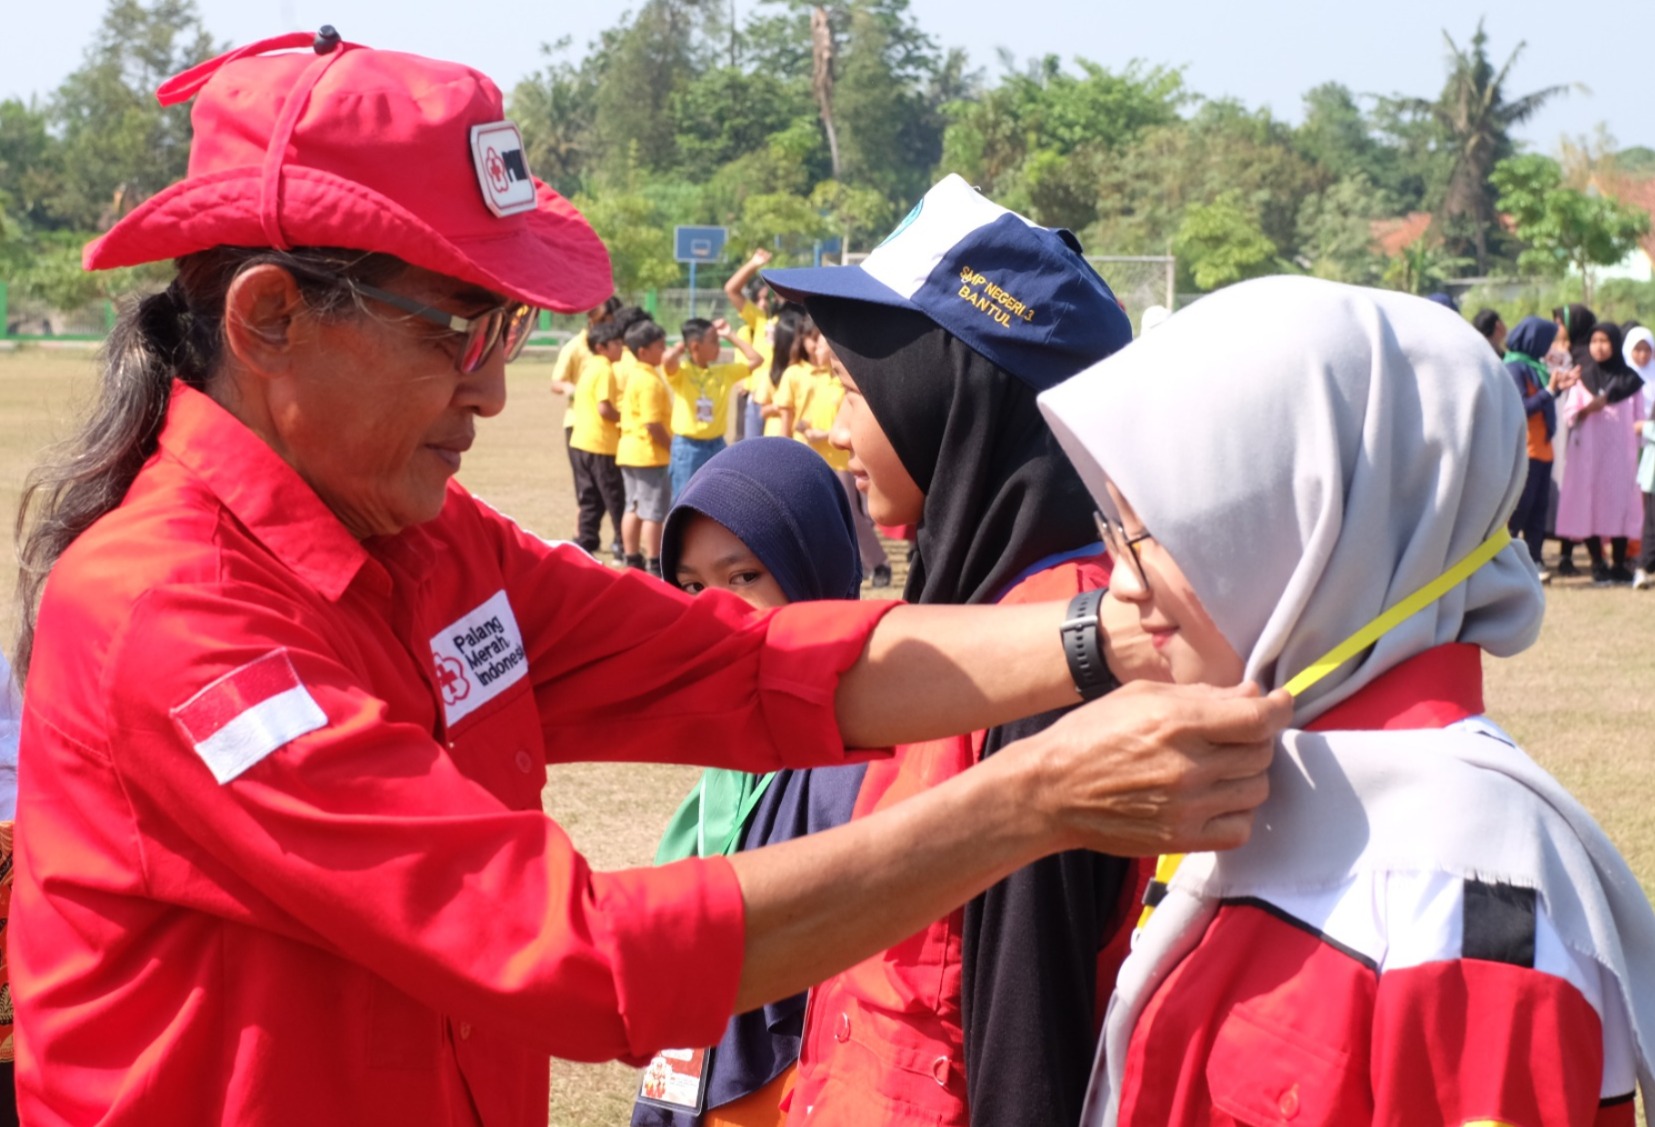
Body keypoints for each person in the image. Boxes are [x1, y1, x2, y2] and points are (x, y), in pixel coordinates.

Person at [7, 33, 1290, 1125]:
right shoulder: (170, 620)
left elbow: (739, 664)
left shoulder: (434, 545)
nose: (495, 387)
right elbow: (572, 953)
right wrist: (1031, 798)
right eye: (459, 328)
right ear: (269, 317)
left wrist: (1097, 639)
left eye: (507, 329)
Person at [1037, 275, 1655, 1127]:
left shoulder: (1465, 893)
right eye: (1117, 529)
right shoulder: (1263, 774)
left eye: (1152, 535)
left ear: (1317, 533)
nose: (1121, 584)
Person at [762, 174, 1153, 1127]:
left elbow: (1030, 1032)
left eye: (855, 392)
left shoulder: (1057, 657)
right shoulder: (980, 607)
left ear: (954, 401)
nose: (833, 426)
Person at [635, 437, 871, 1127]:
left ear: (813, 569)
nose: (712, 613)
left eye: (742, 578)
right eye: (689, 585)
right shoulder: (726, 758)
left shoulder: (862, 765)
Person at [792, 333, 892, 588]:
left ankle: (879, 563)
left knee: (850, 515)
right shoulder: (801, 374)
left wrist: (824, 434)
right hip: (809, 455)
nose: (817, 347)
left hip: (838, 458)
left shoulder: (842, 379)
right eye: (816, 342)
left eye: (823, 342)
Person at [1555, 321, 1646, 585]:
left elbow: (1639, 420)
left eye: (1604, 341)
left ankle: (1618, 564)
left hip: (1620, 456)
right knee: (1589, 506)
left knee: (1620, 506)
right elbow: (1569, 414)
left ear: (1616, 345)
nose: (1599, 347)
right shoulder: (1582, 377)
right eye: (1594, 341)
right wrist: (1589, 409)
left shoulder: (1631, 381)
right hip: (1588, 457)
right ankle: (1597, 562)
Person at [1503, 315, 1576, 580]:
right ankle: (1505, 563)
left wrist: (1557, 389)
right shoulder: (1514, 368)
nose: (1550, 347)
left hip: (1543, 450)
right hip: (1526, 450)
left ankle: (1535, 559)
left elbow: (1542, 398)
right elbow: (1521, 408)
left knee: (1538, 508)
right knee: (1520, 509)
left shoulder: (1534, 367)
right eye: (1547, 341)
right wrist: (1548, 391)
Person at [552, 297, 624, 559]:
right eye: (608, 320)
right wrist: (578, 394)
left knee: (595, 490)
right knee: (600, 491)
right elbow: (556, 382)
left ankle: (589, 542)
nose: (614, 326)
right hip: (584, 426)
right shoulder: (577, 348)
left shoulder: (612, 353)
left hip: (594, 431)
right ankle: (597, 541)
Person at [662, 317, 763, 497]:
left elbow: (757, 359)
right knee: (684, 497)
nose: (718, 345)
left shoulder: (723, 372)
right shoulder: (682, 372)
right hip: (688, 448)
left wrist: (730, 335)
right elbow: (667, 360)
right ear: (695, 346)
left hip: (717, 445)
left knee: (717, 497)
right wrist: (681, 346)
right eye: (714, 341)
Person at [566, 318, 628, 559]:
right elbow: (604, 408)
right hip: (601, 444)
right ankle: (623, 547)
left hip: (581, 441)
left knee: (590, 497)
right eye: (616, 343)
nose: (621, 347)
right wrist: (626, 418)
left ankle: (585, 542)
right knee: (615, 498)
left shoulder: (590, 367)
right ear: (601, 347)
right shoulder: (605, 369)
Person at [618, 318, 675, 574]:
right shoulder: (650, 380)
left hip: (629, 451)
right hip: (649, 453)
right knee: (654, 511)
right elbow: (653, 424)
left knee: (633, 506)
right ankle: (654, 562)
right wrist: (672, 447)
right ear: (643, 351)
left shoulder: (636, 375)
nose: (664, 351)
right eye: (660, 346)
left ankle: (632, 558)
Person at [1551, 303, 1599, 575]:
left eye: (1561, 322)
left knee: (1578, 492)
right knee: (1568, 492)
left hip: (1582, 438)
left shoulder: (1587, 359)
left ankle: (1578, 555)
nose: (1557, 328)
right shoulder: (1560, 355)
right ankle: (1567, 555)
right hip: (1560, 433)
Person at [725, 249, 776, 441]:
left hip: (783, 399)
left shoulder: (790, 322)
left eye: (768, 298)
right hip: (756, 398)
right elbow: (731, 290)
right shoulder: (760, 320)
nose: (763, 303)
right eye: (759, 299)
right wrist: (754, 264)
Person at [1626, 325, 1655, 589]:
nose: (1644, 355)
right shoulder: (1623, 378)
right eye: (1638, 349)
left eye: (1648, 349)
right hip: (1635, 454)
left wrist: (1645, 428)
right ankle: (1640, 560)